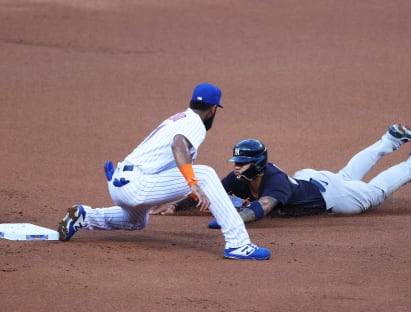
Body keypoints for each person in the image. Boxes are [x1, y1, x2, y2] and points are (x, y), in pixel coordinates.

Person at [57, 83, 271, 260]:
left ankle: (86, 216)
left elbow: (168, 162)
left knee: (137, 221)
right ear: (213, 109)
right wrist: (193, 184)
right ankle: (238, 244)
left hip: (120, 182)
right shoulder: (194, 122)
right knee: (204, 174)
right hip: (138, 183)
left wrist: (170, 194)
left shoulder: (177, 118)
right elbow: (178, 145)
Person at [155, 124, 411, 227]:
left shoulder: (274, 182)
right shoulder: (240, 177)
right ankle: (389, 140)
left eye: (242, 163)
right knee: (347, 175)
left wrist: (233, 219)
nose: (236, 167)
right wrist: (175, 206)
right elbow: (210, 190)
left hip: (332, 196)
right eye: (236, 162)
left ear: (258, 164)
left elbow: (262, 208)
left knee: (372, 194)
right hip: (315, 180)